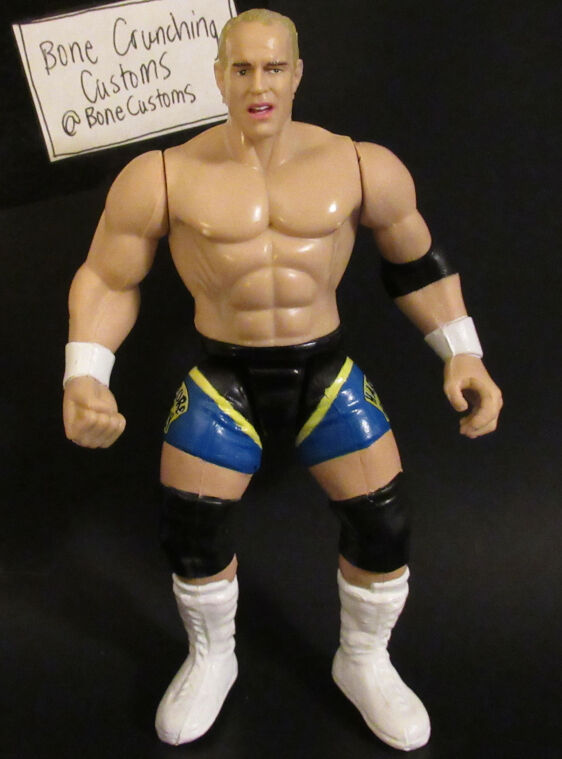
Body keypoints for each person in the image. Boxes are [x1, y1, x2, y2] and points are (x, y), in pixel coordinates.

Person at [62, 8, 502, 752]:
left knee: (384, 520)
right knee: (190, 525)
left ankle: (363, 660)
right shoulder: (163, 175)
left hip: (322, 370)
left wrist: (463, 352)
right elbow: (108, 276)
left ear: (297, 74)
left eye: (273, 68)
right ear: (218, 76)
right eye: (242, 68)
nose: (258, 85)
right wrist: (84, 375)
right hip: (225, 376)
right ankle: (213, 656)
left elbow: (417, 262)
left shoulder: (360, 165)